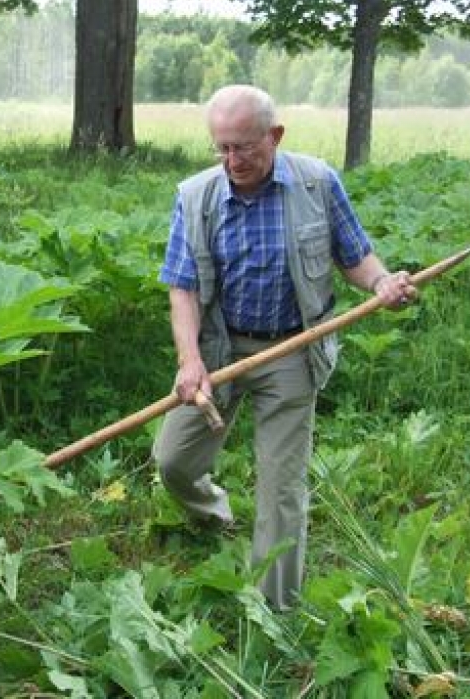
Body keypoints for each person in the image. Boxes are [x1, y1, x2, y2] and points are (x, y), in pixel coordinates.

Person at [153, 84, 416, 611]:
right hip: (221, 351)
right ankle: (213, 513)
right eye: (221, 147)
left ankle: (274, 610)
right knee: (172, 460)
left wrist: (382, 283)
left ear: (275, 136)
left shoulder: (317, 183)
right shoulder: (195, 196)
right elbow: (181, 287)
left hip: (294, 349)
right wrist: (191, 360)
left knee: (280, 490)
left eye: (244, 147)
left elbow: (355, 256)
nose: (232, 160)